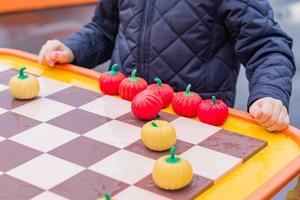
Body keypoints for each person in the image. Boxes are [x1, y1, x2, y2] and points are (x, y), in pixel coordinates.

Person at [38, 0, 296, 132]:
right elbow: (104, 29)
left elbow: (266, 44)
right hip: (121, 112)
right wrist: (72, 49)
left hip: (195, 123)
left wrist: (270, 93)